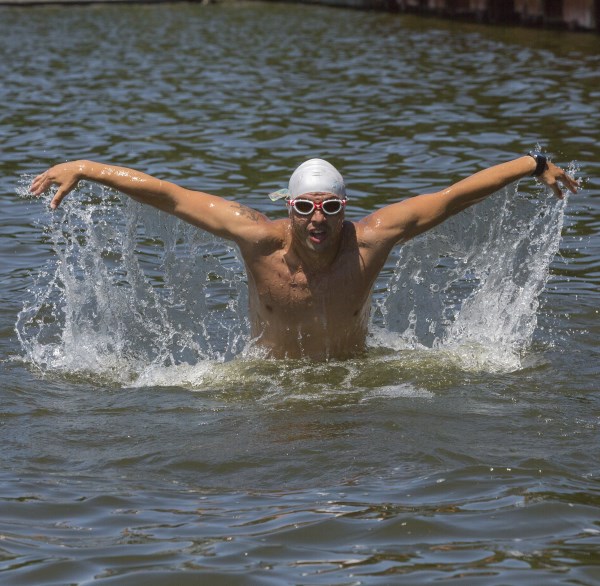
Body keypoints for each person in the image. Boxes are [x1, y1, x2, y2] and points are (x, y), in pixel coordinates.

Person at [30, 153, 578, 360]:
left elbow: (450, 197)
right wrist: (86, 167)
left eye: (331, 206)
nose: (318, 219)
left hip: (354, 379)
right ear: (288, 208)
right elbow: (171, 195)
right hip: (269, 383)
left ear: (345, 207)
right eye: (306, 207)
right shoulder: (257, 239)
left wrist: (532, 165)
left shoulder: (371, 241)